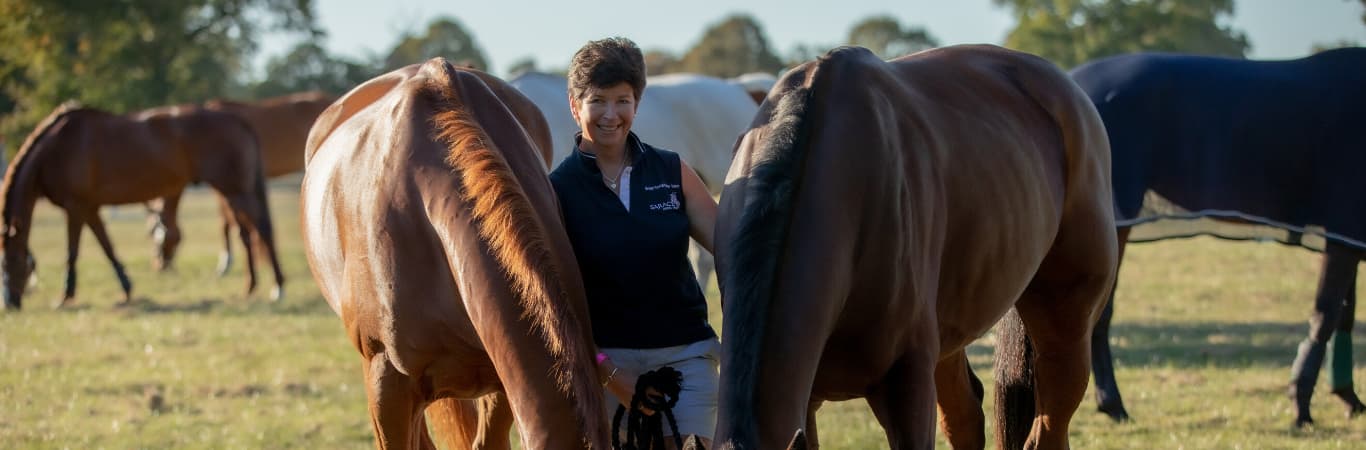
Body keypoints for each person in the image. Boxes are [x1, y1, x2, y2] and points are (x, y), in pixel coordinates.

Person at [548, 37, 720, 448]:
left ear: (637, 103)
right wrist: (607, 372)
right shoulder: (555, 192)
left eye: (623, 100)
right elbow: (553, 305)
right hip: (605, 366)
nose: (611, 114)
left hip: (687, 358)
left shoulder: (672, 170)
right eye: (597, 101)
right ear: (575, 106)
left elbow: (736, 250)